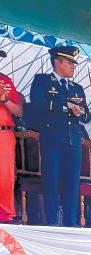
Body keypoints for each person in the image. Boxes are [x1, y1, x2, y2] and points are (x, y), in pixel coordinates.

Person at [28, 45, 91, 226]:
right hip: (52, 139)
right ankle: (52, 223)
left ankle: (71, 224)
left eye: (74, 63)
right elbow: (38, 105)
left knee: (72, 184)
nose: (73, 66)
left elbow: (86, 116)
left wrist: (79, 111)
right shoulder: (43, 81)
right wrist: (66, 106)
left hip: (73, 141)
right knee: (52, 181)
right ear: (57, 61)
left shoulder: (77, 88)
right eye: (70, 62)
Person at [0, 52, 23, 223]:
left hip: (4, 134)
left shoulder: (5, 81)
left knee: (4, 176)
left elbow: (19, 111)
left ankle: (5, 217)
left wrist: (4, 99)